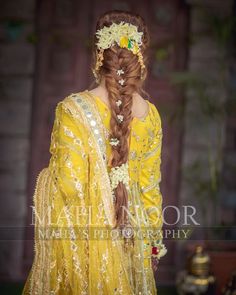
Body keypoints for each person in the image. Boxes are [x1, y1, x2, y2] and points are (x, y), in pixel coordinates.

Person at [22, 10, 167, 295]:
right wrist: (152, 245)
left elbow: (69, 185)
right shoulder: (151, 115)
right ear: (140, 56)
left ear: (98, 56)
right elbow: (150, 188)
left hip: (87, 240)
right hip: (132, 235)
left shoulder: (73, 108)